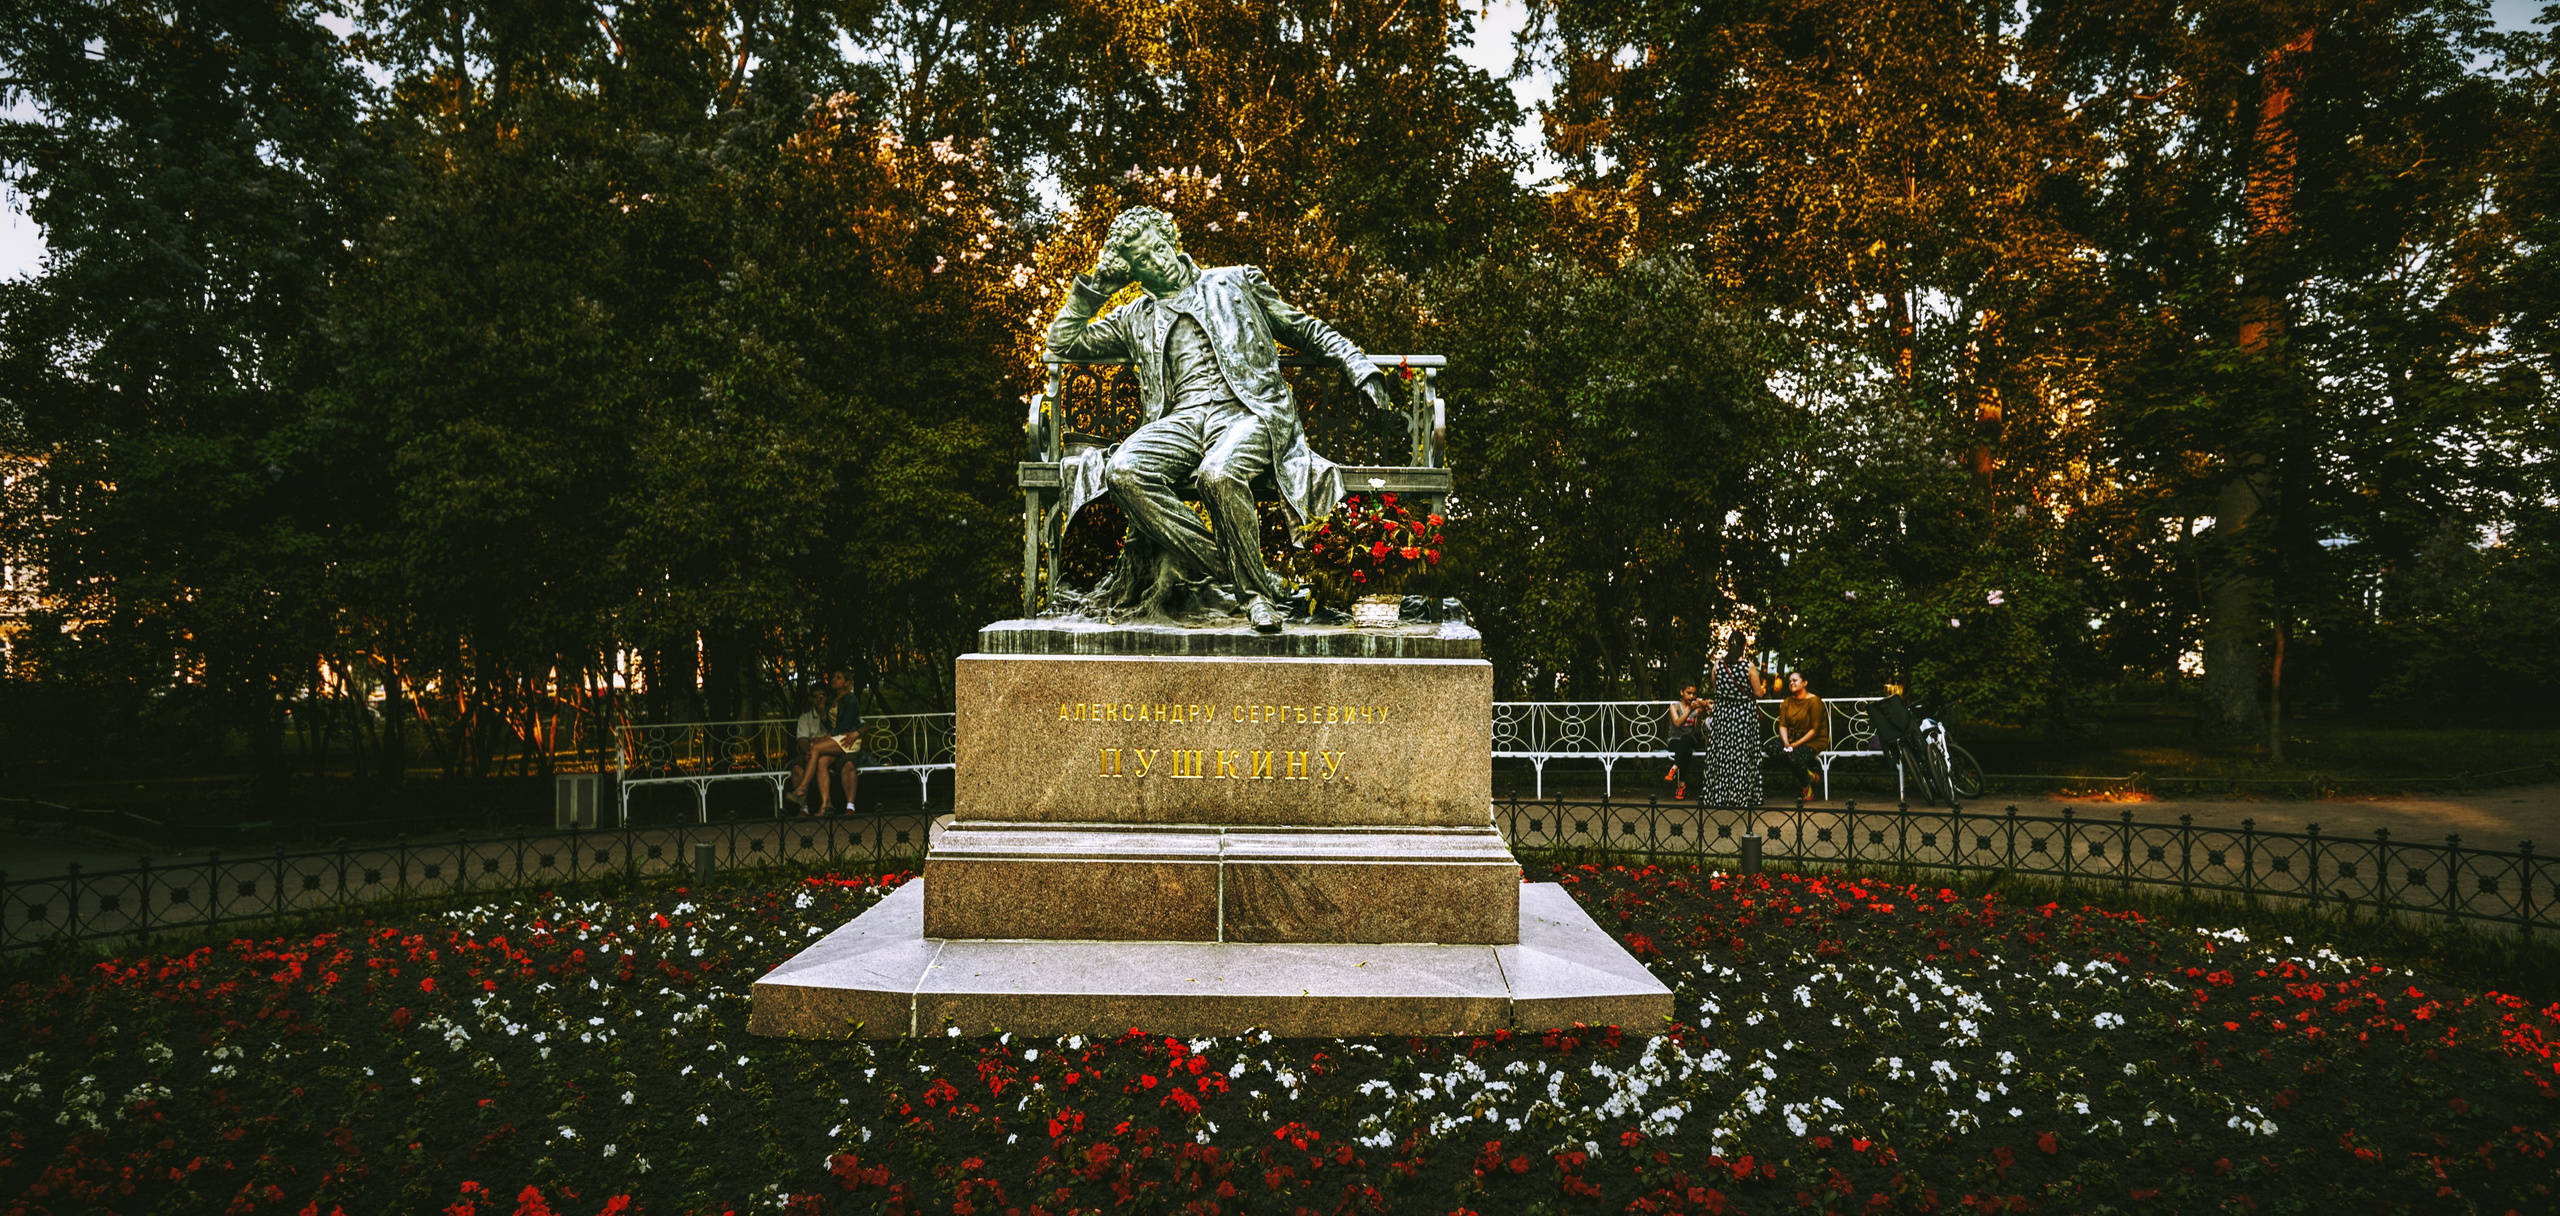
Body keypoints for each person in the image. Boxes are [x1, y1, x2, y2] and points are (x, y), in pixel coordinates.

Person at [1047, 205, 1402, 630]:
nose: (1156, 260)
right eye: (1142, 259)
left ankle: (1255, 598)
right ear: (1132, 273)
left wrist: (1358, 365)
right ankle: (1241, 575)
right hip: (1180, 419)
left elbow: (1304, 328)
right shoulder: (1134, 316)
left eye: (1158, 247)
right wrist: (1096, 288)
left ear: (1171, 240)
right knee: (1123, 470)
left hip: (1247, 411)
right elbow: (1062, 340)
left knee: (1217, 474)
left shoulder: (1234, 281)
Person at [1699, 631, 1767, 809]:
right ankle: (1741, 796)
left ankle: (1718, 795)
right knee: (1741, 755)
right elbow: (1758, 693)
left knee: (1721, 754)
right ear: (1745, 646)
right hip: (1743, 716)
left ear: (1729, 645)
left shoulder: (1717, 666)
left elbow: (1716, 689)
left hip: (1722, 716)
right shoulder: (1748, 666)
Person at [789, 670, 866, 813]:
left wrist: (825, 738)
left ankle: (802, 788)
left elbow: (846, 724)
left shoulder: (851, 699)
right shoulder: (833, 700)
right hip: (838, 739)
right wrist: (823, 712)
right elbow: (831, 724)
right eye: (833, 677)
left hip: (848, 740)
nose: (834, 680)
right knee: (821, 762)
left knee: (816, 748)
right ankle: (825, 805)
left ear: (847, 683)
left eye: (839, 678)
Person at [1768, 670, 1830, 803]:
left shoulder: (1814, 701)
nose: (1791, 683)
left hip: (1813, 740)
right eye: (1790, 681)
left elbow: (1815, 729)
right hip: (1791, 739)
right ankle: (1810, 775)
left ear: (1805, 683)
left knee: (1796, 759)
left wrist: (1795, 745)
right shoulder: (1787, 702)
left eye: (1795, 680)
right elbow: (1783, 725)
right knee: (1771, 748)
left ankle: (1805, 786)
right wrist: (1786, 742)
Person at [1663, 685, 1709, 799]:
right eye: (1689, 693)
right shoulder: (1674, 707)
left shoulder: (1696, 708)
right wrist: (1689, 710)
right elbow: (1677, 723)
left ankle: (1674, 768)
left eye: (1694, 694)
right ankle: (1681, 786)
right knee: (1686, 751)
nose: (1692, 696)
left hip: (1690, 739)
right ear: (1681, 692)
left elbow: (1697, 730)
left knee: (1687, 739)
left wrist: (1698, 716)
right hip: (1674, 740)